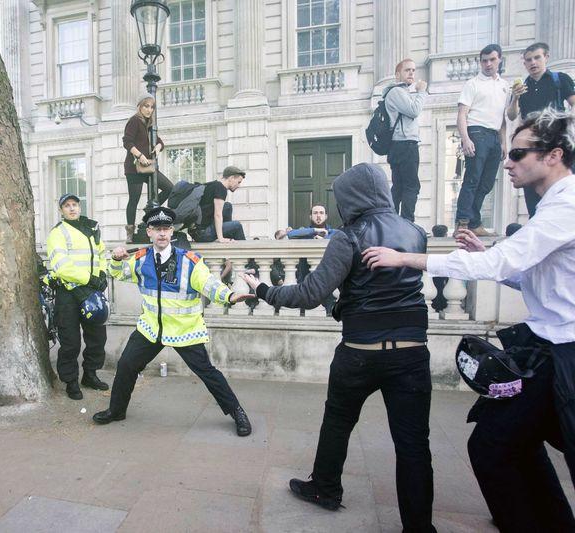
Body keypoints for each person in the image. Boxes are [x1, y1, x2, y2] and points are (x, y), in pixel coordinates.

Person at [361, 108, 575, 531]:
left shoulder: (565, 206)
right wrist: (484, 257)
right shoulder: (553, 204)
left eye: (517, 153)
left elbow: (502, 262)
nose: (507, 163)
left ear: (553, 156)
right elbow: (533, 278)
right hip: (547, 348)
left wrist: (405, 258)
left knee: (495, 447)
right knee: (508, 443)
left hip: (565, 355)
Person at [242, 163, 435, 532]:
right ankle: (420, 527)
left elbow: (309, 293)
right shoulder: (415, 232)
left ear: (351, 197)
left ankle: (325, 488)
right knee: (413, 444)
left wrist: (263, 290)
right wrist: (341, 304)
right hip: (411, 352)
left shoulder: (349, 236)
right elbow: (382, 291)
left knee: (338, 420)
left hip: (361, 353)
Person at [94, 207, 254, 437]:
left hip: (184, 331)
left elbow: (209, 284)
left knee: (208, 372)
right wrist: (117, 260)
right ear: (149, 232)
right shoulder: (140, 259)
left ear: (172, 232)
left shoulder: (189, 261)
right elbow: (118, 273)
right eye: (157, 229)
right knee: (126, 365)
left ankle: (237, 412)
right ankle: (116, 410)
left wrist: (229, 296)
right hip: (151, 329)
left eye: (166, 229)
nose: (162, 233)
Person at [45, 194, 109, 400]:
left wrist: (101, 275)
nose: (71, 208)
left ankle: (90, 374)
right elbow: (61, 265)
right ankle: (71, 381)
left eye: (74, 205)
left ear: (79, 207)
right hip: (68, 293)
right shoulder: (58, 232)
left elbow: (101, 254)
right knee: (70, 341)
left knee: (97, 336)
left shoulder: (91, 228)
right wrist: (89, 278)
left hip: (91, 291)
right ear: (61, 210)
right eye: (67, 206)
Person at [507, 42, 575, 216]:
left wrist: (565, 124)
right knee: (533, 191)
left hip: (556, 141)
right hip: (533, 145)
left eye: (537, 57)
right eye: (528, 60)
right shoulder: (522, 87)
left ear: (546, 57)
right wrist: (515, 97)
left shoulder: (559, 79)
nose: (533, 63)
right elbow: (512, 115)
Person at [455, 44, 510, 237]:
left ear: (499, 59)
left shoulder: (504, 86)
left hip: (495, 136)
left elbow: (504, 118)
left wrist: (503, 143)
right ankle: (462, 223)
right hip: (476, 132)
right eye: (484, 60)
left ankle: (474, 222)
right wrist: (466, 139)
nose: (488, 64)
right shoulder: (473, 84)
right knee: (472, 179)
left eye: (492, 60)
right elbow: (462, 114)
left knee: (486, 183)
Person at [123, 93, 173, 243]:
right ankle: (130, 233)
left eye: (152, 107)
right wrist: (139, 156)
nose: (149, 109)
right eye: (146, 106)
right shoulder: (134, 121)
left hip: (149, 168)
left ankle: (148, 210)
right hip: (134, 169)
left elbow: (159, 141)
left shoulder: (150, 123)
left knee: (170, 187)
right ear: (139, 106)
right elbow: (127, 142)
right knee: (134, 199)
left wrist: (159, 146)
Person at [385, 58, 428, 222]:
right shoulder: (397, 92)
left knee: (400, 186)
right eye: (407, 70)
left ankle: (394, 221)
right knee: (411, 186)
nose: (411, 73)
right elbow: (414, 110)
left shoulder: (400, 92)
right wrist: (421, 92)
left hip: (400, 145)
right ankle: (406, 222)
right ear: (397, 75)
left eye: (413, 70)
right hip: (405, 144)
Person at [192, 166, 246, 243]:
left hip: (196, 232)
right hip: (203, 234)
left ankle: (226, 236)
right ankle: (246, 254)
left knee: (227, 206)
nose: (239, 186)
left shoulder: (213, 185)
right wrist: (221, 238)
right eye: (239, 182)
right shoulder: (221, 188)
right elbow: (218, 214)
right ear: (231, 178)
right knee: (237, 226)